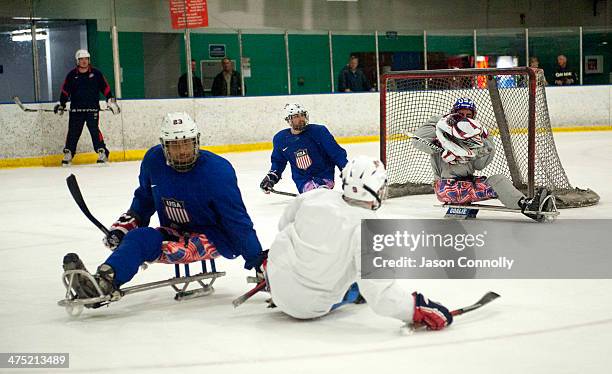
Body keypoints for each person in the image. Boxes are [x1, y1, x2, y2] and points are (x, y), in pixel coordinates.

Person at [62, 112, 265, 303]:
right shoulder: (154, 161)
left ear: (197, 141)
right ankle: (104, 281)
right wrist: (124, 228)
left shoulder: (218, 171)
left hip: (214, 236)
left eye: (187, 143)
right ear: (164, 146)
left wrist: (257, 260)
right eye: (175, 146)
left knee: (174, 249)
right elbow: (145, 199)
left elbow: (237, 221)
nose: (183, 151)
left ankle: (106, 279)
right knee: (138, 239)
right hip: (175, 231)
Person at [262, 156, 453, 331]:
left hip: (276, 281)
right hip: (306, 307)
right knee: (359, 280)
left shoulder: (315, 195)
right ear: (378, 188)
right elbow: (380, 296)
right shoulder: (372, 229)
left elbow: (283, 226)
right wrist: (415, 309)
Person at [411, 97, 555, 222]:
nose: (464, 117)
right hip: (446, 187)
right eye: (460, 113)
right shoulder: (439, 123)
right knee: (497, 183)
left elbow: (480, 164)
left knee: (498, 180)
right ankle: (528, 206)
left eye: (468, 114)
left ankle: (527, 204)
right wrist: (445, 137)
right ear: (453, 112)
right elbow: (418, 140)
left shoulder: (478, 134)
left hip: (464, 184)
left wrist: (483, 141)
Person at [260, 103, 348, 194]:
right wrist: (271, 177)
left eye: (302, 115)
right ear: (288, 120)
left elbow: (337, 153)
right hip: (303, 181)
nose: (301, 118)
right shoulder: (281, 139)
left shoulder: (319, 131)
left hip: (324, 176)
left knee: (319, 194)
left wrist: (346, 170)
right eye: (296, 116)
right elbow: (278, 162)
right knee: (314, 194)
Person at [54, 49, 120, 166]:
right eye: (81, 59)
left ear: (89, 60)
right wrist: (62, 105)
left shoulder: (96, 74)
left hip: (92, 109)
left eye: (86, 59)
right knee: (73, 132)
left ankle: (102, 152)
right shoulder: (72, 75)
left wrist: (110, 100)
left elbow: (105, 88)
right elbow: (65, 91)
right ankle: (69, 152)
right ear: (77, 61)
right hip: (76, 110)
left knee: (94, 130)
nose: (84, 61)